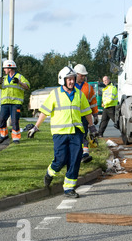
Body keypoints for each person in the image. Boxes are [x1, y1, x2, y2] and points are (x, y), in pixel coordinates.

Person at [27, 66, 97, 198]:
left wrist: (92, 127)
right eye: (69, 79)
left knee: (75, 160)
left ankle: (69, 188)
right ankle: (50, 173)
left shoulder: (79, 94)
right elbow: (44, 112)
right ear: (62, 80)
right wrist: (35, 127)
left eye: (73, 79)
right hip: (60, 134)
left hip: (76, 133)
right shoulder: (54, 94)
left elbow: (87, 112)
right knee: (60, 159)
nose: (72, 82)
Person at [0, 59, 30, 144]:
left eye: (5, 68)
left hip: (16, 104)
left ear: (10, 68)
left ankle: (16, 138)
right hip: (5, 103)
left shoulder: (19, 77)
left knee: (15, 120)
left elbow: (27, 86)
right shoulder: (3, 78)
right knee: (1, 119)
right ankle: (4, 135)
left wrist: (19, 83)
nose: (4, 70)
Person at [74, 64, 99, 163]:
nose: (83, 77)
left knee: (84, 134)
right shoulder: (70, 85)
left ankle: (85, 154)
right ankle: (77, 155)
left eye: (84, 75)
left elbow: (93, 102)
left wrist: (95, 114)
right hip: (73, 116)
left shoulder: (88, 87)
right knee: (75, 136)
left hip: (84, 116)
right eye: (81, 75)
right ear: (76, 74)